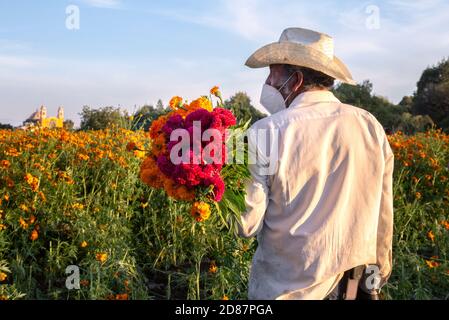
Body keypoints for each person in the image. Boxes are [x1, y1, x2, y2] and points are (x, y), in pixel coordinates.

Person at [237, 27, 394, 300]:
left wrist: (216, 180)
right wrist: (378, 276)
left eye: (272, 72)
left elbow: (246, 224)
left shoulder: (263, 133)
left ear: (295, 79)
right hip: (355, 288)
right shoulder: (369, 125)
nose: (268, 82)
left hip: (286, 290)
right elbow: (383, 211)